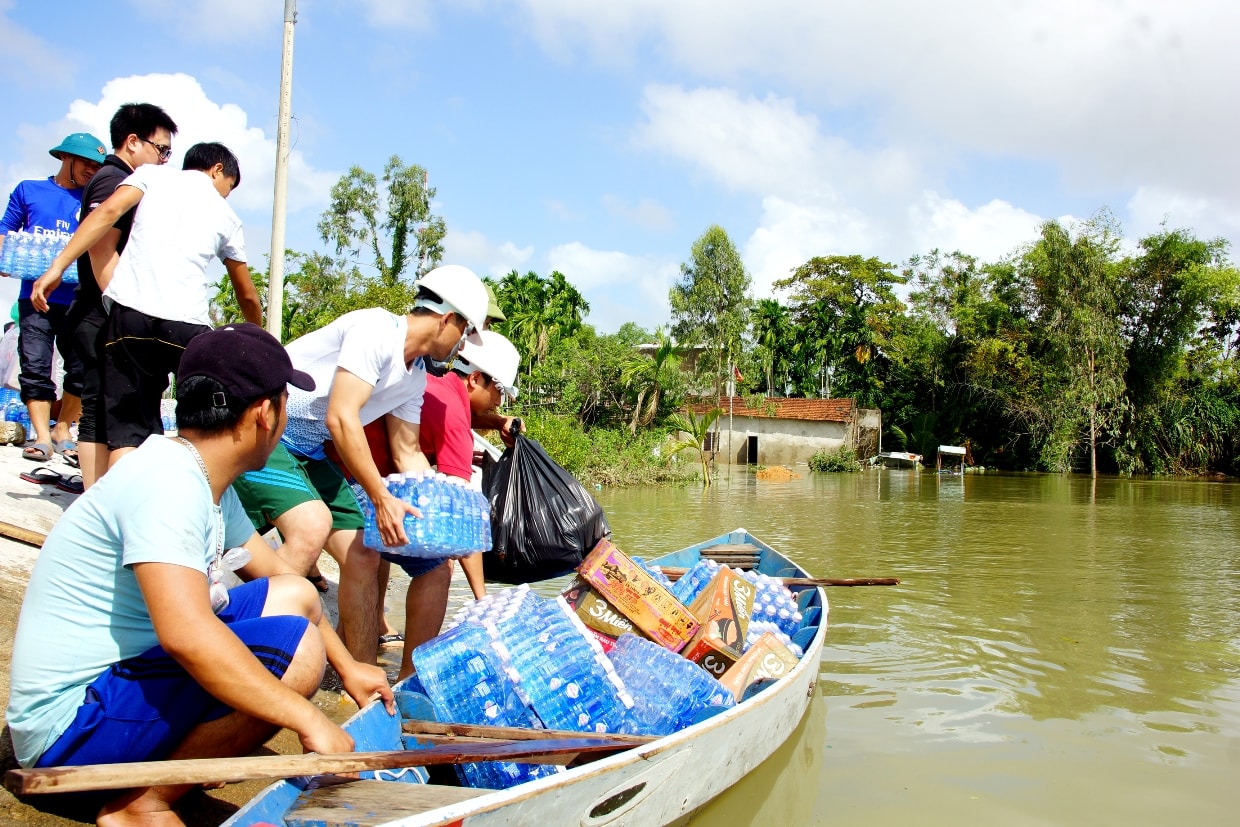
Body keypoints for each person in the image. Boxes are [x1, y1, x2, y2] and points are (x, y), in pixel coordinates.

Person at [6, 323, 393, 827]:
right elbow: (187, 635)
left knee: (294, 595)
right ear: (264, 413)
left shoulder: (199, 474)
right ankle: (140, 803)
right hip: (69, 731)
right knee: (298, 652)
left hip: (118, 686)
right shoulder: (168, 484)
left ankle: (163, 767)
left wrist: (350, 668)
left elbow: (284, 580)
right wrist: (307, 717)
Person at [230, 264, 489, 666]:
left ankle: (362, 677)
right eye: (466, 332)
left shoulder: (415, 377)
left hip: (311, 449)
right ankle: (252, 657)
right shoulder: (376, 330)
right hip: (265, 427)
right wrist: (381, 496)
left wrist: (440, 512)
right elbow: (341, 417)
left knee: (364, 554)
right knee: (310, 524)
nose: (463, 347)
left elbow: (408, 453)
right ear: (447, 318)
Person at [37, 141, 262, 472]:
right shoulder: (227, 216)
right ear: (217, 170)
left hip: (131, 317)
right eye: (228, 187)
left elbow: (107, 213)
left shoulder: (151, 176)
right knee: (199, 426)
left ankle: (119, 510)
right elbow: (247, 295)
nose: (225, 196)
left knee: (126, 430)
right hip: (186, 326)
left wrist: (58, 266)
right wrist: (257, 335)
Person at [32, 102, 179, 488]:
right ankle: (96, 500)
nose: (163, 160)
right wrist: (133, 313)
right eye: (161, 149)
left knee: (110, 405)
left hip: (106, 312)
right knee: (100, 407)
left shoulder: (124, 182)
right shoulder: (113, 180)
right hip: (102, 314)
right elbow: (102, 254)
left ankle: (98, 495)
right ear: (133, 142)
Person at [393, 329, 521, 680]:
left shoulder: (439, 387)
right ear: (477, 378)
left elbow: (470, 410)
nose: (499, 403)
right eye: (498, 393)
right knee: (438, 568)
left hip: (355, 474)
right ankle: (408, 677)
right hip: (365, 482)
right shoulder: (453, 419)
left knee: (370, 557)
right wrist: (483, 602)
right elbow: (460, 524)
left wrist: (496, 423)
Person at [0, 132, 107, 467]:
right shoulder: (29, 191)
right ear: (65, 158)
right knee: (34, 366)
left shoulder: (96, 202)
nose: (92, 170)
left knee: (80, 369)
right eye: (86, 163)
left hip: (80, 300)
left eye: (97, 165)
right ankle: (42, 438)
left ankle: (63, 430)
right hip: (35, 298)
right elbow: (6, 230)